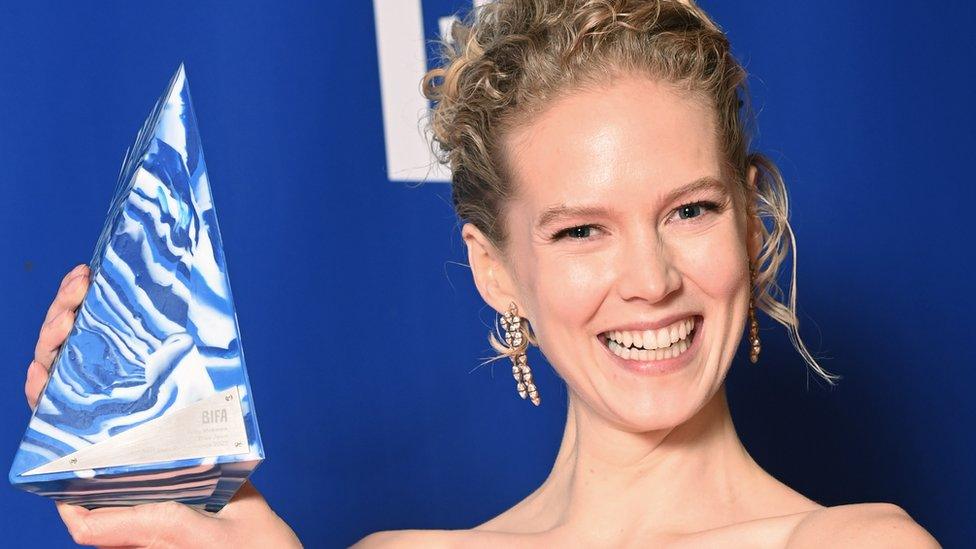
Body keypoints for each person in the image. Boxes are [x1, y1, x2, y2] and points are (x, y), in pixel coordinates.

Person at [25, 0, 939, 546]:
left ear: (749, 215)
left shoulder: (856, 541)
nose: (651, 278)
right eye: (583, 230)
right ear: (494, 268)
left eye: (688, 211)